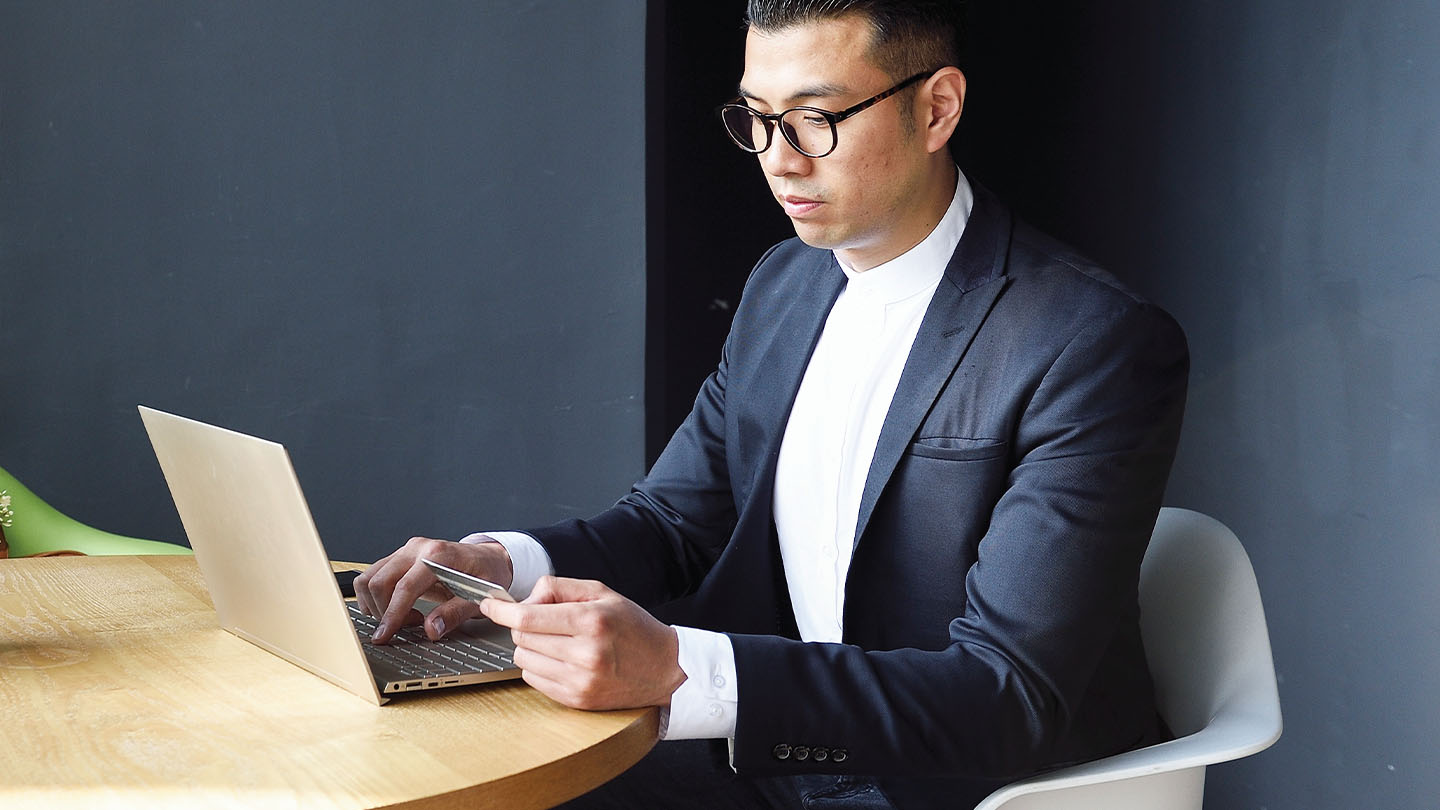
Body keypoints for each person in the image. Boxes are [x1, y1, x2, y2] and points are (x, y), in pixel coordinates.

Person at [354, 1, 1189, 808]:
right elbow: (674, 524)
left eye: (815, 118)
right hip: (771, 751)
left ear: (936, 108)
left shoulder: (1090, 341)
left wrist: (682, 667)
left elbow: (1008, 693)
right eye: (757, 117)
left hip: (963, 785)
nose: (780, 159)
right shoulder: (784, 286)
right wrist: (505, 562)